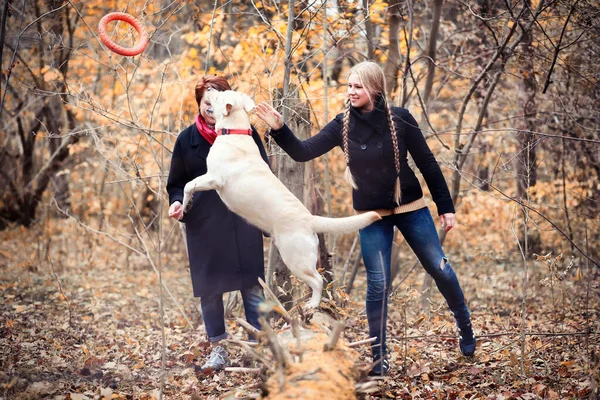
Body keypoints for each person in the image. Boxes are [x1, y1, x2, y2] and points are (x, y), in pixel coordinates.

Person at [256, 61, 476, 376]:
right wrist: (280, 129)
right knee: (377, 283)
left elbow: (427, 162)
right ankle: (379, 357)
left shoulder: (400, 118)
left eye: (357, 86)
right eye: (348, 86)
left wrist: (446, 205)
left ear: (374, 88)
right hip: (371, 214)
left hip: (410, 206)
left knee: (439, 268)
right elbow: (303, 152)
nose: (351, 92)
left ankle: (464, 324)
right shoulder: (342, 124)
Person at [167, 75, 269, 372]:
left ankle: (257, 347)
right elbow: (176, 183)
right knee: (210, 291)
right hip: (205, 226)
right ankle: (219, 349)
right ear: (199, 105)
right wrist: (177, 202)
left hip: (243, 220)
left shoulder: (246, 133)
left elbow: (265, 173)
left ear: (229, 103)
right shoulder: (186, 140)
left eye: (216, 100)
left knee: (253, 287)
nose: (211, 106)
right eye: (205, 101)